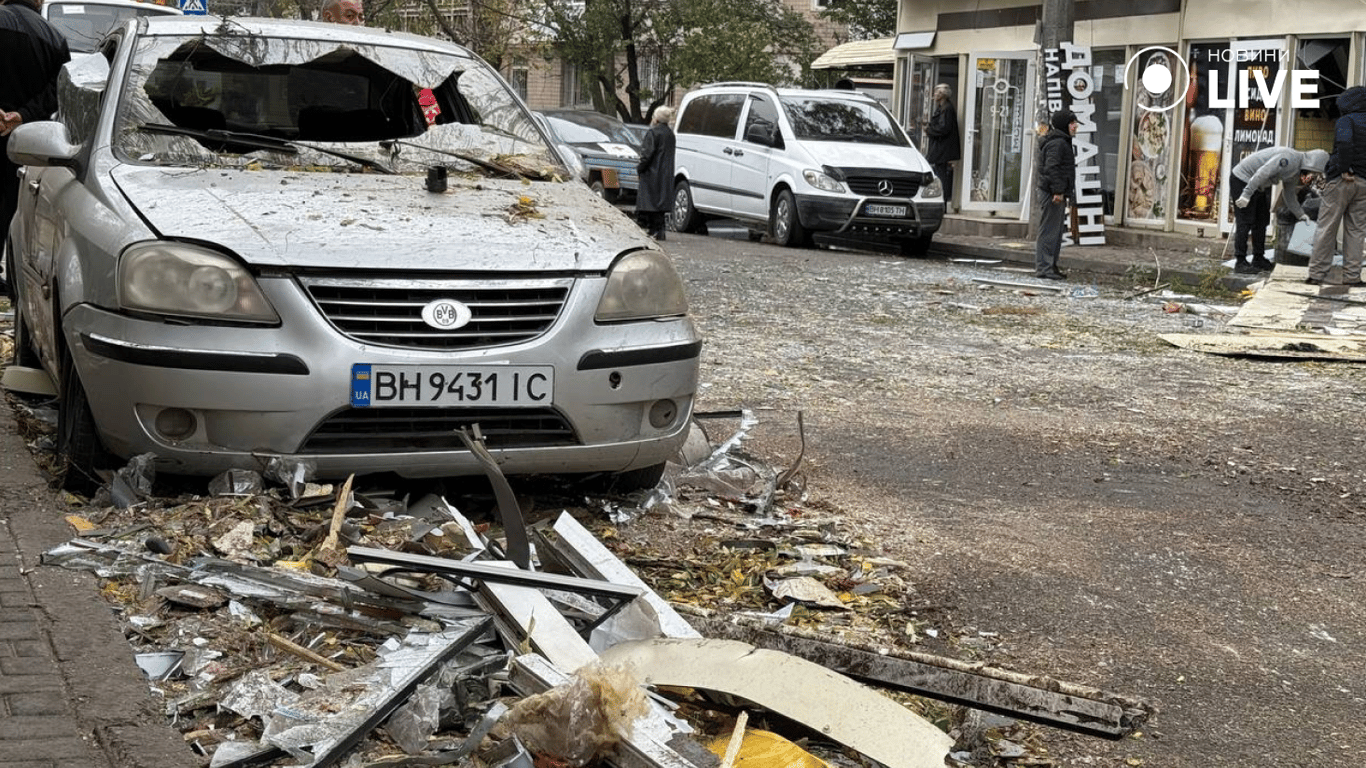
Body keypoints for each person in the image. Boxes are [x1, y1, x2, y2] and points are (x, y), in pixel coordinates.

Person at [1, 0, 71, 295]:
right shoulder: (53, 37)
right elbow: (59, 90)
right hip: (27, 140)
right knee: (14, 206)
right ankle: (18, 279)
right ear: (39, 1)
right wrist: (22, 116)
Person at [1229, 147, 1328, 274]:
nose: (1310, 175)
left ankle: (1258, 258)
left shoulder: (1295, 171)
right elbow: (1262, 173)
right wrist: (1246, 194)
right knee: (1245, 220)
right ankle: (1240, 261)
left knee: (1261, 221)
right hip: (1242, 179)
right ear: (1311, 165)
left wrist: (1300, 214)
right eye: (1312, 172)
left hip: (1258, 184)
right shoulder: (1288, 159)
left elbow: (1289, 194)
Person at [1307, 85, 1366, 287]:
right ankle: (1352, 277)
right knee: (1356, 230)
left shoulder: (1345, 120)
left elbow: (1344, 143)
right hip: (1364, 184)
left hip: (1342, 180)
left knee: (1327, 226)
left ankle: (1317, 274)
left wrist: (1344, 168)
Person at [1034, 108, 1077, 280]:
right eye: (1072, 123)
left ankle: (1050, 266)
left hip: (1054, 192)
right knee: (1049, 231)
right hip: (1052, 193)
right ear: (1064, 125)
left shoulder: (1060, 141)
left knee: (1055, 231)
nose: (1075, 127)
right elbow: (1052, 168)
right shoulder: (1057, 143)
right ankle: (1045, 268)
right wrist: (1058, 191)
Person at [635, 106, 675, 241]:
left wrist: (640, 168)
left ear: (656, 119)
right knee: (660, 204)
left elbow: (647, 154)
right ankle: (660, 230)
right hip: (666, 173)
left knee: (650, 202)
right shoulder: (670, 134)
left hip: (652, 172)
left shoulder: (653, 133)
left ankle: (653, 230)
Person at [924, 84, 961, 211]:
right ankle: (940, 202)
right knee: (939, 173)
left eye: (936, 93)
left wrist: (929, 130)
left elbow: (944, 128)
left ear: (941, 95)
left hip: (943, 148)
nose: (934, 95)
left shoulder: (947, 108)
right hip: (941, 147)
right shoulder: (943, 107)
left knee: (941, 175)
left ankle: (941, 203)